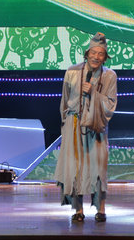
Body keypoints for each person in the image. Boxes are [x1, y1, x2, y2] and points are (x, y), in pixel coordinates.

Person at [53, 32, 117, 222]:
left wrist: (94, 94)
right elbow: (65, 100)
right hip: (73, 125)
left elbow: (111, 103)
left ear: (105, 57)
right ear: (87, 53)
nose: (96, 57)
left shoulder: (110, 76)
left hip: (96, 127)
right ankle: (78, 210)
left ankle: (101, 209)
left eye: (100, 54)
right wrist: (65, 123)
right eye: (93, 53)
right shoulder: (72, 72)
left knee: (98, 168)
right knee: (74, 168)